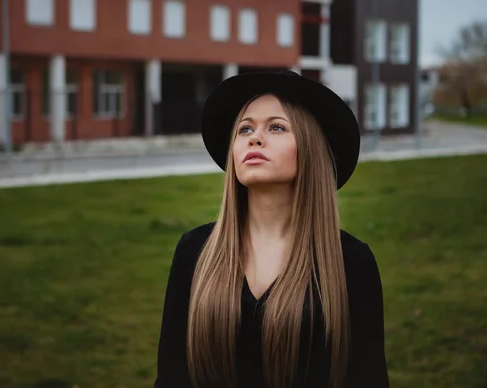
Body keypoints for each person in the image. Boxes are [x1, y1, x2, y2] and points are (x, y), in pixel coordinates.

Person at [154, 71, 389, 388]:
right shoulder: (194, 251)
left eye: (276, 127)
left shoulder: (351, 263)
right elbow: (171, 377)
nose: (254, 137)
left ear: (310, 149)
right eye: (245, 128)